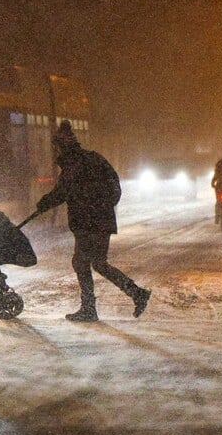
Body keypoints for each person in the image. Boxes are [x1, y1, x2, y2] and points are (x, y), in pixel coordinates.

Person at [36, 121, 151, 322]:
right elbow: (113, 184)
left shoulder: (73, 166)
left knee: (82, 262)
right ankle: (135, 293)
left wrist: (45, 203)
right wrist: (105, 206)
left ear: (62, 147)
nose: (55, 152)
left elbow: (62, 192)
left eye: (56, 147)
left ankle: (90, 308)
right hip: (100, 220)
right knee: (98, 263)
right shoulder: (93, 159)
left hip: (87, 222)